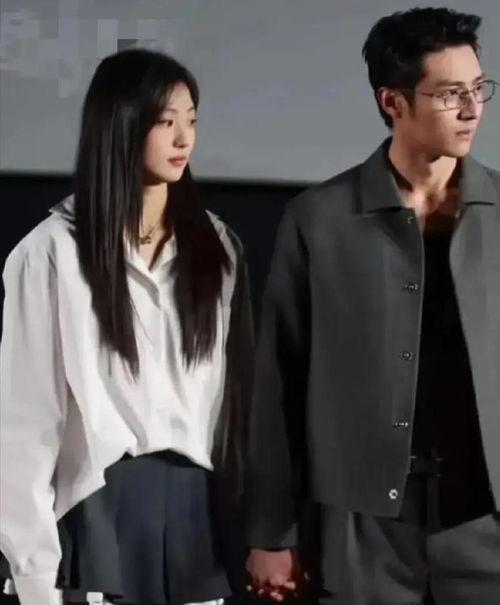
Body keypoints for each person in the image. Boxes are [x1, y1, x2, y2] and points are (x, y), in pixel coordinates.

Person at [245, 7, 500, 604]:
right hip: (364, 534)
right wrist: (271, 532)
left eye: (479, 88)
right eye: (450, 94)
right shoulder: (320, 219)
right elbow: (279, 384)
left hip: (486, 524)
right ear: (393, 102)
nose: (472, 109)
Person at [0, 48, 253, 605]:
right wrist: (33, 570)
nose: (184, 139)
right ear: (120, 125)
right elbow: (25, 424)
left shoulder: (217, 247)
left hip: (196, 512)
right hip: (97, 505)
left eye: (191, 121)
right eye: (165, 122)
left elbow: (237, 401)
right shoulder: (52, 253)